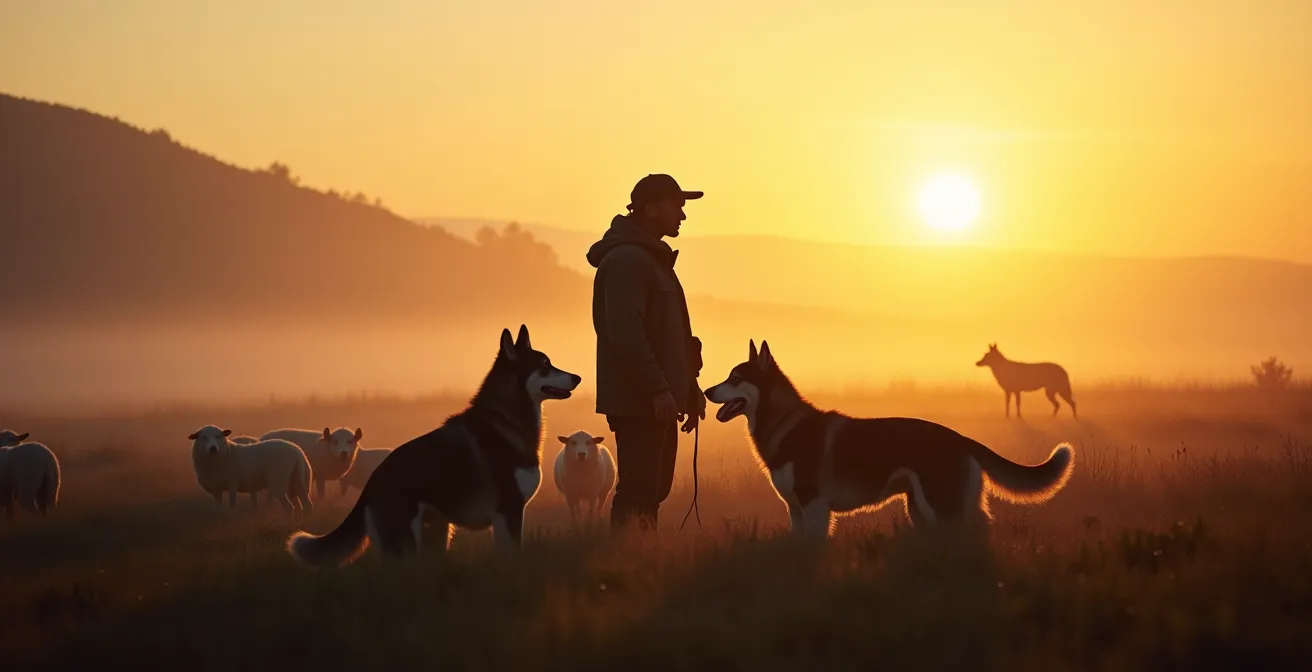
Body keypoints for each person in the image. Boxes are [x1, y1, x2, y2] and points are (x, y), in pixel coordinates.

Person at [586, 174, 707, 530]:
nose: (682, 215)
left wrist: (689, 388)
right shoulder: (628, 260)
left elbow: (671, 338)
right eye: (676, 206)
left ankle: (638, 566)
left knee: (650, 492)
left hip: (659, 400)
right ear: (650, 208)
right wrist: (657, 389)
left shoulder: (651, 260)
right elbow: (626, 331)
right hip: (640, 401)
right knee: (638, 493)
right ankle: (626, 571)